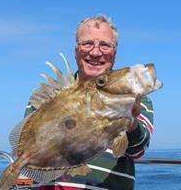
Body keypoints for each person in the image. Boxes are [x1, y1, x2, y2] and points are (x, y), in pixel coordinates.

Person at [21, 15, 154, 190]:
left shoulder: (136, 96)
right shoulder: (47, 96)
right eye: (87, 44)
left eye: (105, 45)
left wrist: (131, 122)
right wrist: (21, 184)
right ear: (76, 50)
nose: (95, 52)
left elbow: (138, 150)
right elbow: (27, 155)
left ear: (115, 53)